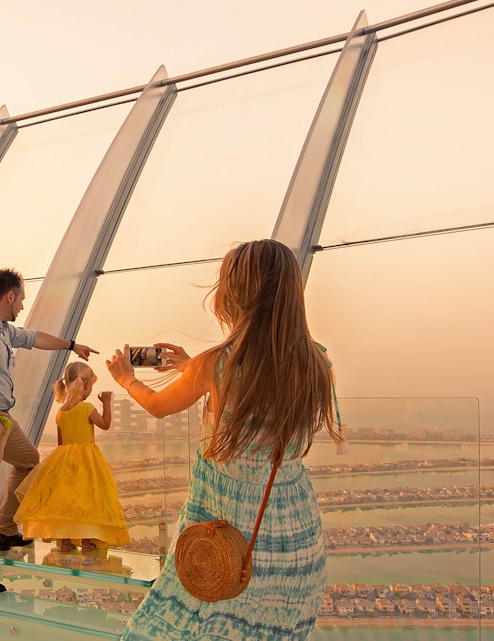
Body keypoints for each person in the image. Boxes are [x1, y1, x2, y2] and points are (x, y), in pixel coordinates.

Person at [106, 239, 347, 640]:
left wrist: (127, 379)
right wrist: (191, 365)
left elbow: (158, 406)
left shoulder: (215, 365)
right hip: (296, 536)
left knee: (182, 626)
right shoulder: (317, 362)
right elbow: (263, 389)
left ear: (233, 294)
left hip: (227, 537)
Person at [0, 268, 96, 594]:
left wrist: (72, 345)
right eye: (21, 300)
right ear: (10, 296)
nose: (22, 307)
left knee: (29, 459)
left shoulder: (1, 329)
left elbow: (34, 337)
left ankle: (4, 530)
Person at [13, 361, 131, 553]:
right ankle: (86, 543)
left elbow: (62, 444)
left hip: (63, 462)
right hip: (87, 462)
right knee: (85, 500)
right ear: (85, 385)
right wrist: (107, 403)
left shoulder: (61, 412)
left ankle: (66, 543)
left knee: (66, 502)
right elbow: (105, 424)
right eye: (90, 386)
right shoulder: (87, 408)